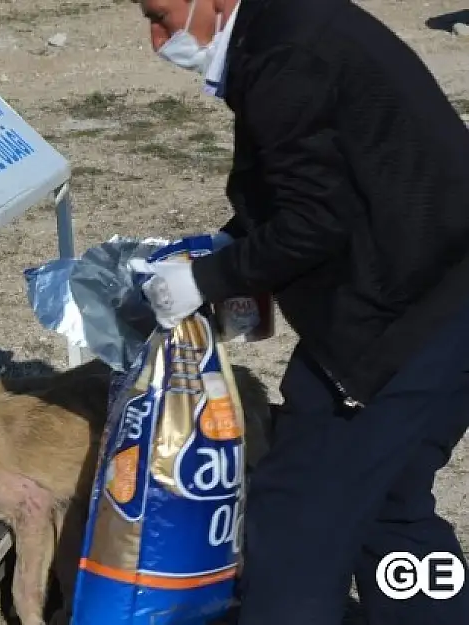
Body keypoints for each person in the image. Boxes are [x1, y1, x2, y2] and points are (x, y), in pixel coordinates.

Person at [130, 1, 469, 624]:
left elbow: (315, 221)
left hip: (406, 313)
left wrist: (207, 278)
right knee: (391, 494)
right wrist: (239, 241)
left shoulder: (281, 56)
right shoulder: (290, 25)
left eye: (162, 15)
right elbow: (326, 177)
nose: (157, 39)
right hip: (440, 285)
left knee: (297, 508)